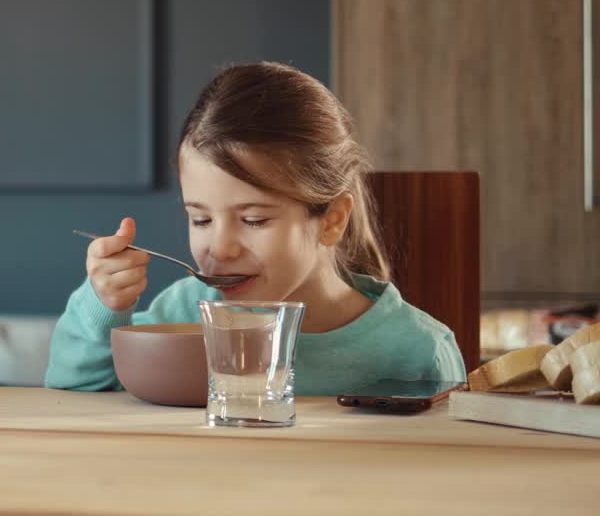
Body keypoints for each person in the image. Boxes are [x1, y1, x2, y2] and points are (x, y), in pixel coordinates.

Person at [45, 62, 465, 394]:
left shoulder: (417, 352)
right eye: (201, 219)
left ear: (332, 220)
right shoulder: (185, 312)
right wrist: (104, 306)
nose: (220, 248)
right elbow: (73, 393)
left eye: (254, 220)